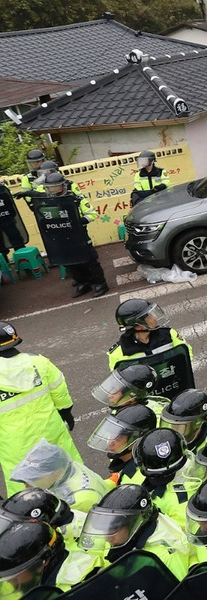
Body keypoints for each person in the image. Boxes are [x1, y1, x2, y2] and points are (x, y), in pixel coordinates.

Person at [0, 321, 80, 495]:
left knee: (26, 492)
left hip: (14, 445)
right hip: (51, 432)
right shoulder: (38, 362)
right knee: (70, 476)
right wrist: (66, 413)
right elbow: (59, 389)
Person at [34, 172, 108, 297]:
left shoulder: (75, 199)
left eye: (55, 187)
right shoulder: (48, 202)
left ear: (63, 186)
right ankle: (83, 283)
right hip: (61, 235)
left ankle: (101, 283)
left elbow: (92, 214)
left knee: (89, 260)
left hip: (79, 234)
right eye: (50, 188)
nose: (52, 190)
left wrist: (79, 221)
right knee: (71, 261)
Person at [107, 299, 194, 398]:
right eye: (149, 316)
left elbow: (186, 353)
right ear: (138, 326)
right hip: (147, 396)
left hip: (175, 384)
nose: (154, 317)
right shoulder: (118, 352)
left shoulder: (168, 334)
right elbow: (120, 381)